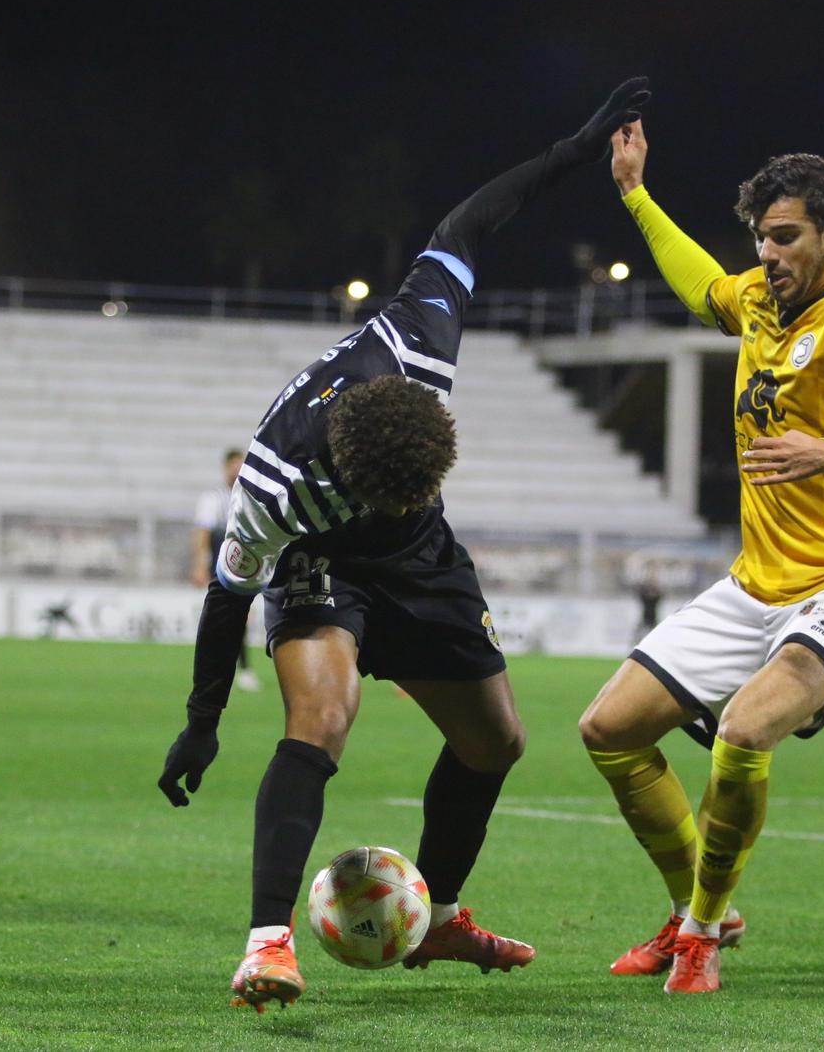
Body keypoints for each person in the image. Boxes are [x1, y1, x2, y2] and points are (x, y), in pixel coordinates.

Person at [157, 78, 652, 1013]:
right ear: (351, 478)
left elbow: (469, 221)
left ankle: (441, 914)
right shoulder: (275, 482)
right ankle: (268, 946)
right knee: (322, 721)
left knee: (496, 741)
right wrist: (203, 719)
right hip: (323, 564)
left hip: (421, 560)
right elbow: (228, 596)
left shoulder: (419, 342)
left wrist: (577, 149)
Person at [577, 121, 824, 994]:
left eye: (785, 237)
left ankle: (704, 935)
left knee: (745, 730)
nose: (768, 253)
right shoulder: (755, 299)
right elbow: (699, 280)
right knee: (610, 730)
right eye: (761, 238)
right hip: (758, 583)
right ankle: (693, 912)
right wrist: (634, 193)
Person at [191, 448, 259, 691]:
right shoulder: (213, 499)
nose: (237, 471)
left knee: (239, 620)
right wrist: (199, 565)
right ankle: (227, 671)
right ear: (226, 468)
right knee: (223, 620)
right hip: (219, 568)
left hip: (247, 566)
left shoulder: (253, 498)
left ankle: (240, 670)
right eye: (233, 466)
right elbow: (203, 534)